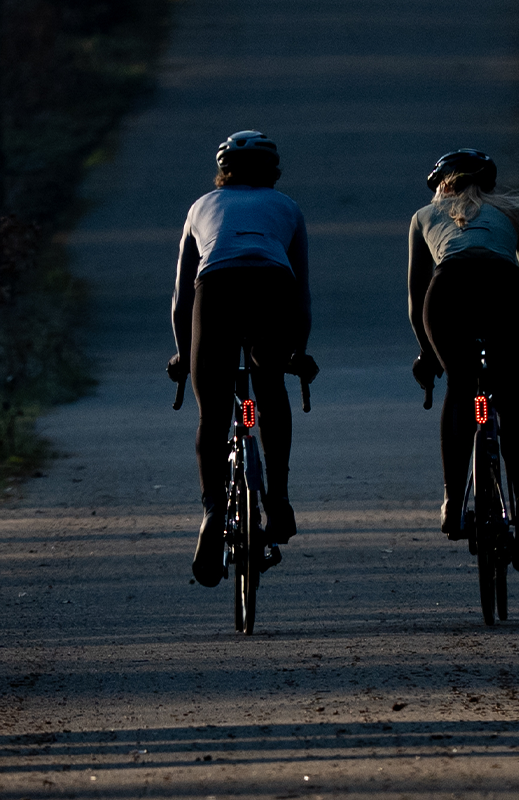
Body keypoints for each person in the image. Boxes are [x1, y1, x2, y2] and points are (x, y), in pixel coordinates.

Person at [167, 130, 317, 588]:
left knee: (214, 414)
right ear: (272, 172)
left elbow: (180, 299)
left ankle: (214, 511)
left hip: (217, 292)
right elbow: (302, 293)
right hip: (272, 288)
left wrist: (183, 353)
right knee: (267, 387)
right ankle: (280, 498)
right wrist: (298, 350)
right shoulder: (287, 207)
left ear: (223, 171)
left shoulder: (199, 207)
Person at [408, 149, 519, 573]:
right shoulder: (513, 215)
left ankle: (453, 500)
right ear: (489, 184)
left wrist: (426, 350)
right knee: (513, 405)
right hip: (503, 292)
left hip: (448, 292)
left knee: (461, 388)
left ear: (442, 184)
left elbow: (416, 296)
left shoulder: (424, 216)